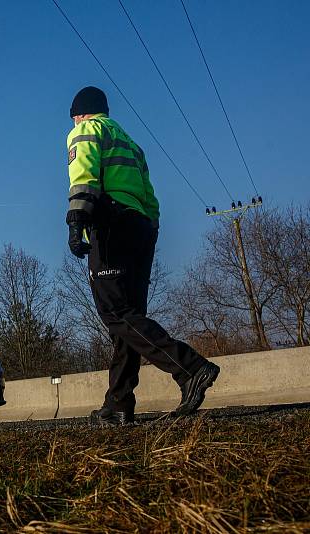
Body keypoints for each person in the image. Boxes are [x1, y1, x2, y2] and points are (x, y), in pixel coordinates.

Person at [65, 86, 220, 426]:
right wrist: (149, 231)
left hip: (111, 224)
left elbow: (84, 174)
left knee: (114, 312)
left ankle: (190, 368)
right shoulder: (132, 145)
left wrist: (76, 220)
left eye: (74, 114)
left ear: (82, 112)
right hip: (141, 228)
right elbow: (150, 199)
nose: (74, 120)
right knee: (129, 317)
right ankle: (119, 403)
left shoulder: (86, 130)